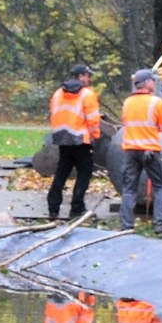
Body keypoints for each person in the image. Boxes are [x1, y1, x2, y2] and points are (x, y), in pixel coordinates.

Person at [118, 68, 162, 234]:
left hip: (130, 150)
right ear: (147, 83)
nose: (155, 83)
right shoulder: (157, 102)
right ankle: (160, 226)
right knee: (161, 186)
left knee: (128, 188)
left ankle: (126, 226)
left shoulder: (127, 102)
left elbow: (126, 123)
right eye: (153, 80)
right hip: (150, 151)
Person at [46, 63, 100, 219]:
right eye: (87, 75)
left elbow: (53, 113)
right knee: (84, 173)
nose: (89, 79)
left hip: (62, 138)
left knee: (62, 172)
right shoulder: (87, 94)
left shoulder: (57, 93)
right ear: (81, 76)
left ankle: (53, 207)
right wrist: (95, 136)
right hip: (81, 139)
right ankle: (77, 208)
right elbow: (93, 119)